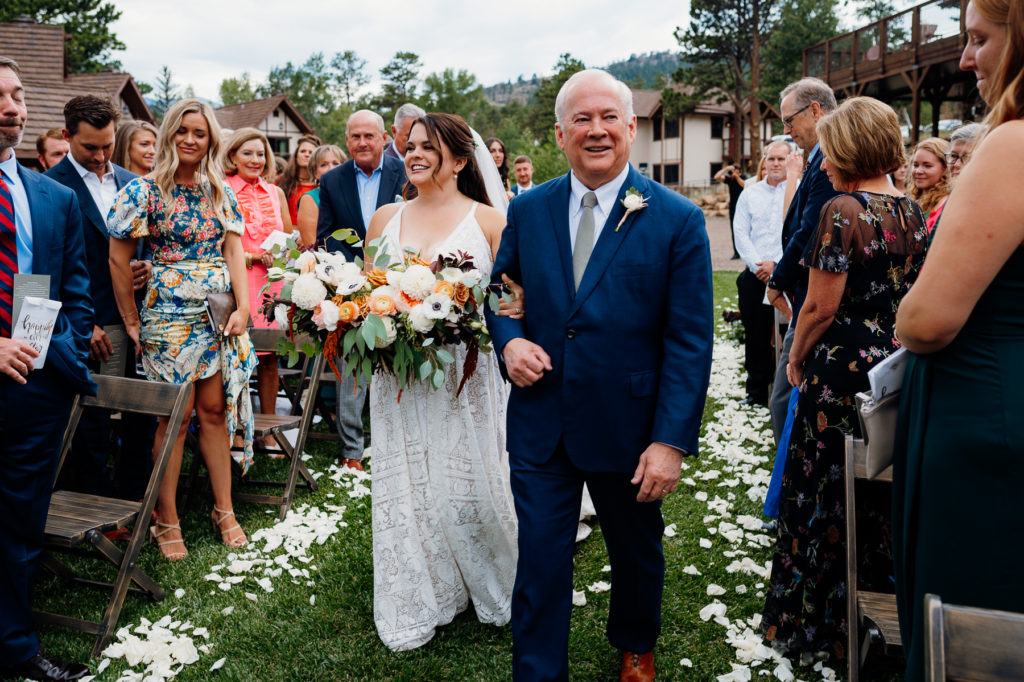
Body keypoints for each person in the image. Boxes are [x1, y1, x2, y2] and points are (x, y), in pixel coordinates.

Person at [486, 69, 713, 682]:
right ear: (560, 135)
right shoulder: (528, 210)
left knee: (636, 551)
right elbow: (502, 293)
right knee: (540, 560)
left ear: (631, 127)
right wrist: (508, 342)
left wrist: (669, 441)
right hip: (542, 422)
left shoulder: (677, 219)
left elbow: (690, 341)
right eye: (581, 120)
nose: (596, 130)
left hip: (631, 427)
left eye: (608, 117)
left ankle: (636, 645)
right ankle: (538, 672)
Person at [761, 96, 928, 661]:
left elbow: (817, 308)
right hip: (889, 363)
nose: (822, 160)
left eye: (829, 149)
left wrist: (793, 354)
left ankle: (819, 624)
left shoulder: (843, 210)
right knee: (869, 497)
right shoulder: (909, 206)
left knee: (822, 492)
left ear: (850, 147)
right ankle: (871, 613)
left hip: (839, 369)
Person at [893, 1, 1024, 678]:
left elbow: (928, 319)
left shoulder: (1014, 144)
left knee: (974, 629)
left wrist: (903, 315)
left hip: (983, 413)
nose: (966, 58)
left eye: (980, 38)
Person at [363, 111, 516, 651]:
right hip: (397, 376)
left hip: (463, 375)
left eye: (429, 146)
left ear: (458, 158)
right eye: (411, 145)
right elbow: (366, 296)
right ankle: (420, 587)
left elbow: (510, 302)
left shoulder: (489, 222)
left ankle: (490, 577)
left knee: (467, 481)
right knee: (407, 481)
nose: (416, 153)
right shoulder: (384, 218)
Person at [106, 98, 256, 561]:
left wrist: (245, 308)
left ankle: (223, 509)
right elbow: (118, 256)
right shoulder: (144, 191)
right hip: (167, 314)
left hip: (217, 311)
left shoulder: (219, 190)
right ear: (170, 134)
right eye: (182, 132)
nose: (191, 140)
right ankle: (165, 519)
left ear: (211, 140)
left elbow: (234, 252)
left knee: (215, 411)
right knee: (176, 417)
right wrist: (131, 319)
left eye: (200, 133)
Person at [0, 55, 95, 682]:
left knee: (19, 523)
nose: (11, 107)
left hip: (38, 385)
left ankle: (13, 645)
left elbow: (78, 286)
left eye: (17, 94)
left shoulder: (53, 195)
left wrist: (69, 347)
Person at [45, 95, 156, 502]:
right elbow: (46, 265)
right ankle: (95, 507)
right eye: (90, 147)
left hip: (142, 318)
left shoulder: (133, 182)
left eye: (107, 145)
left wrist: (148, 266)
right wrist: (79, 324)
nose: (100, 155)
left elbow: (147, 244)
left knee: (141, 416)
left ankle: (135, 502)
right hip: (93, 321)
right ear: (66, 136)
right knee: (92, 418)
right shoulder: (51, 186)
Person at [316, 110, 405, 470]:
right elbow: (326, 235)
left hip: (400, 281)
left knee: (398, 364)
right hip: (350, 283)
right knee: (351, 367)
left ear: (384, 137)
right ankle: (352, 450)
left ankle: (396, 443)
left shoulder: (404, 173)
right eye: (355, 137)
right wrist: (345, 278)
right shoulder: (333, 180)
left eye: (370, 136)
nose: (363, 143)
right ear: (347, 139)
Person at [766, 77, 841, 442]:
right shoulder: (817, 158)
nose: (786, 129)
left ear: (815, 110)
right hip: (807, 289)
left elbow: (810, 230)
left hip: (816, 293)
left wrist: (777, 280)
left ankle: (789, 482)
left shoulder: (831, 160)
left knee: (782, 399)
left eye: (789, 119)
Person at [222, 127, 291, 449]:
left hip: (271, 283)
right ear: (233, 155)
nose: (255, 159)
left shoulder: (275, 192)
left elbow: (289, 237)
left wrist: (286, 253)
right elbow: (220, 242)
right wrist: (251, 256)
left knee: (270, 358)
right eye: (247, 153)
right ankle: (236, 429)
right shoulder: (222, 188)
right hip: (240, 280)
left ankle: (270, 433)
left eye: (261, 153)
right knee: (237, 356)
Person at [733, 140, 790, 407]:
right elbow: (741, 233)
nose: (776, 164)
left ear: (790, 160)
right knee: (755, 336)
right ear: (764, 161)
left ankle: (788, 390)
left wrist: (777, 265)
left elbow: (801, 232)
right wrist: (758, 266)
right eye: (771, 159)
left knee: (789, 333)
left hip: (788, 274)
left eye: (781, 159)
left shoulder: (798, 192)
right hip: (755, 275)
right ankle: (756, 393)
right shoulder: (750, 193)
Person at [926, 122, 986, 231]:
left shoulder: (987, 206)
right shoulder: (952, 200)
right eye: (953, 156)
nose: (956, 164)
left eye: (967, 157)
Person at [296, 143, 344, 246]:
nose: (331, 168)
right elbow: (312, 245)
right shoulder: (310, 199)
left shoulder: (350, 195)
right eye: (324, 165)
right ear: (315, 173)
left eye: (335, 163)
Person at [277, 133, 321, 225]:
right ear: (296, 155)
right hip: (286, 234)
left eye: (311, 152)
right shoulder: (281, 182)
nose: (306, 155)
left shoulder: (322, 185)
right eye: (303, 151)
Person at [907, 136, 950, 225]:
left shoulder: (946, 204)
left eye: (927, 166)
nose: (918, 171)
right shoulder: (912, 199)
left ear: (945, 168)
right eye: (915, 165)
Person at [714, 160, 747, 259]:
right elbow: (716, 177)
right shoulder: (730, 179)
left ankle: (745, 251)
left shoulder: (743, 177)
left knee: (744, 229)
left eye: (734, 170)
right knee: (734, 229)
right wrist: (726, 169)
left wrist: (736, 177)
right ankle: (736, 252)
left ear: (738, 171)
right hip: (733, 207)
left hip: (742, 206)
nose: (732, 172)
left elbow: (744, 184)